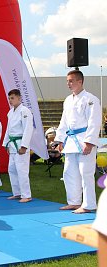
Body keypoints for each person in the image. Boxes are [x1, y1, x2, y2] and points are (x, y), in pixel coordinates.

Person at [54, 70, 101, 214]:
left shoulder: (91, 99)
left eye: (71, 81)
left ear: (80, 81)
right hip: (70, 141)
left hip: (84, 140)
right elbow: (64, 122)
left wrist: (90, 142)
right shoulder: (68, 100)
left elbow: (94, 122)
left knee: (85, 173)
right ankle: (74, 202)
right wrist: (59, 140)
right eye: (67, 81)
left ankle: (89, 204)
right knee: (69, 172)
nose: (68, 83)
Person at [2, 89, 34, 203]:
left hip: (20, 143)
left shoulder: (25, 111)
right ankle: (17, 193)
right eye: (9, 98)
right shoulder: (10, 112)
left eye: (13, 98)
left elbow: (28, 129)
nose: (10, 100)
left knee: (22, 170)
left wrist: (24, 146)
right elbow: (8, 130)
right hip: (12, 144)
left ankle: (26, 195)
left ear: (19, 98)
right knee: (12, 169)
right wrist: (6, 144)